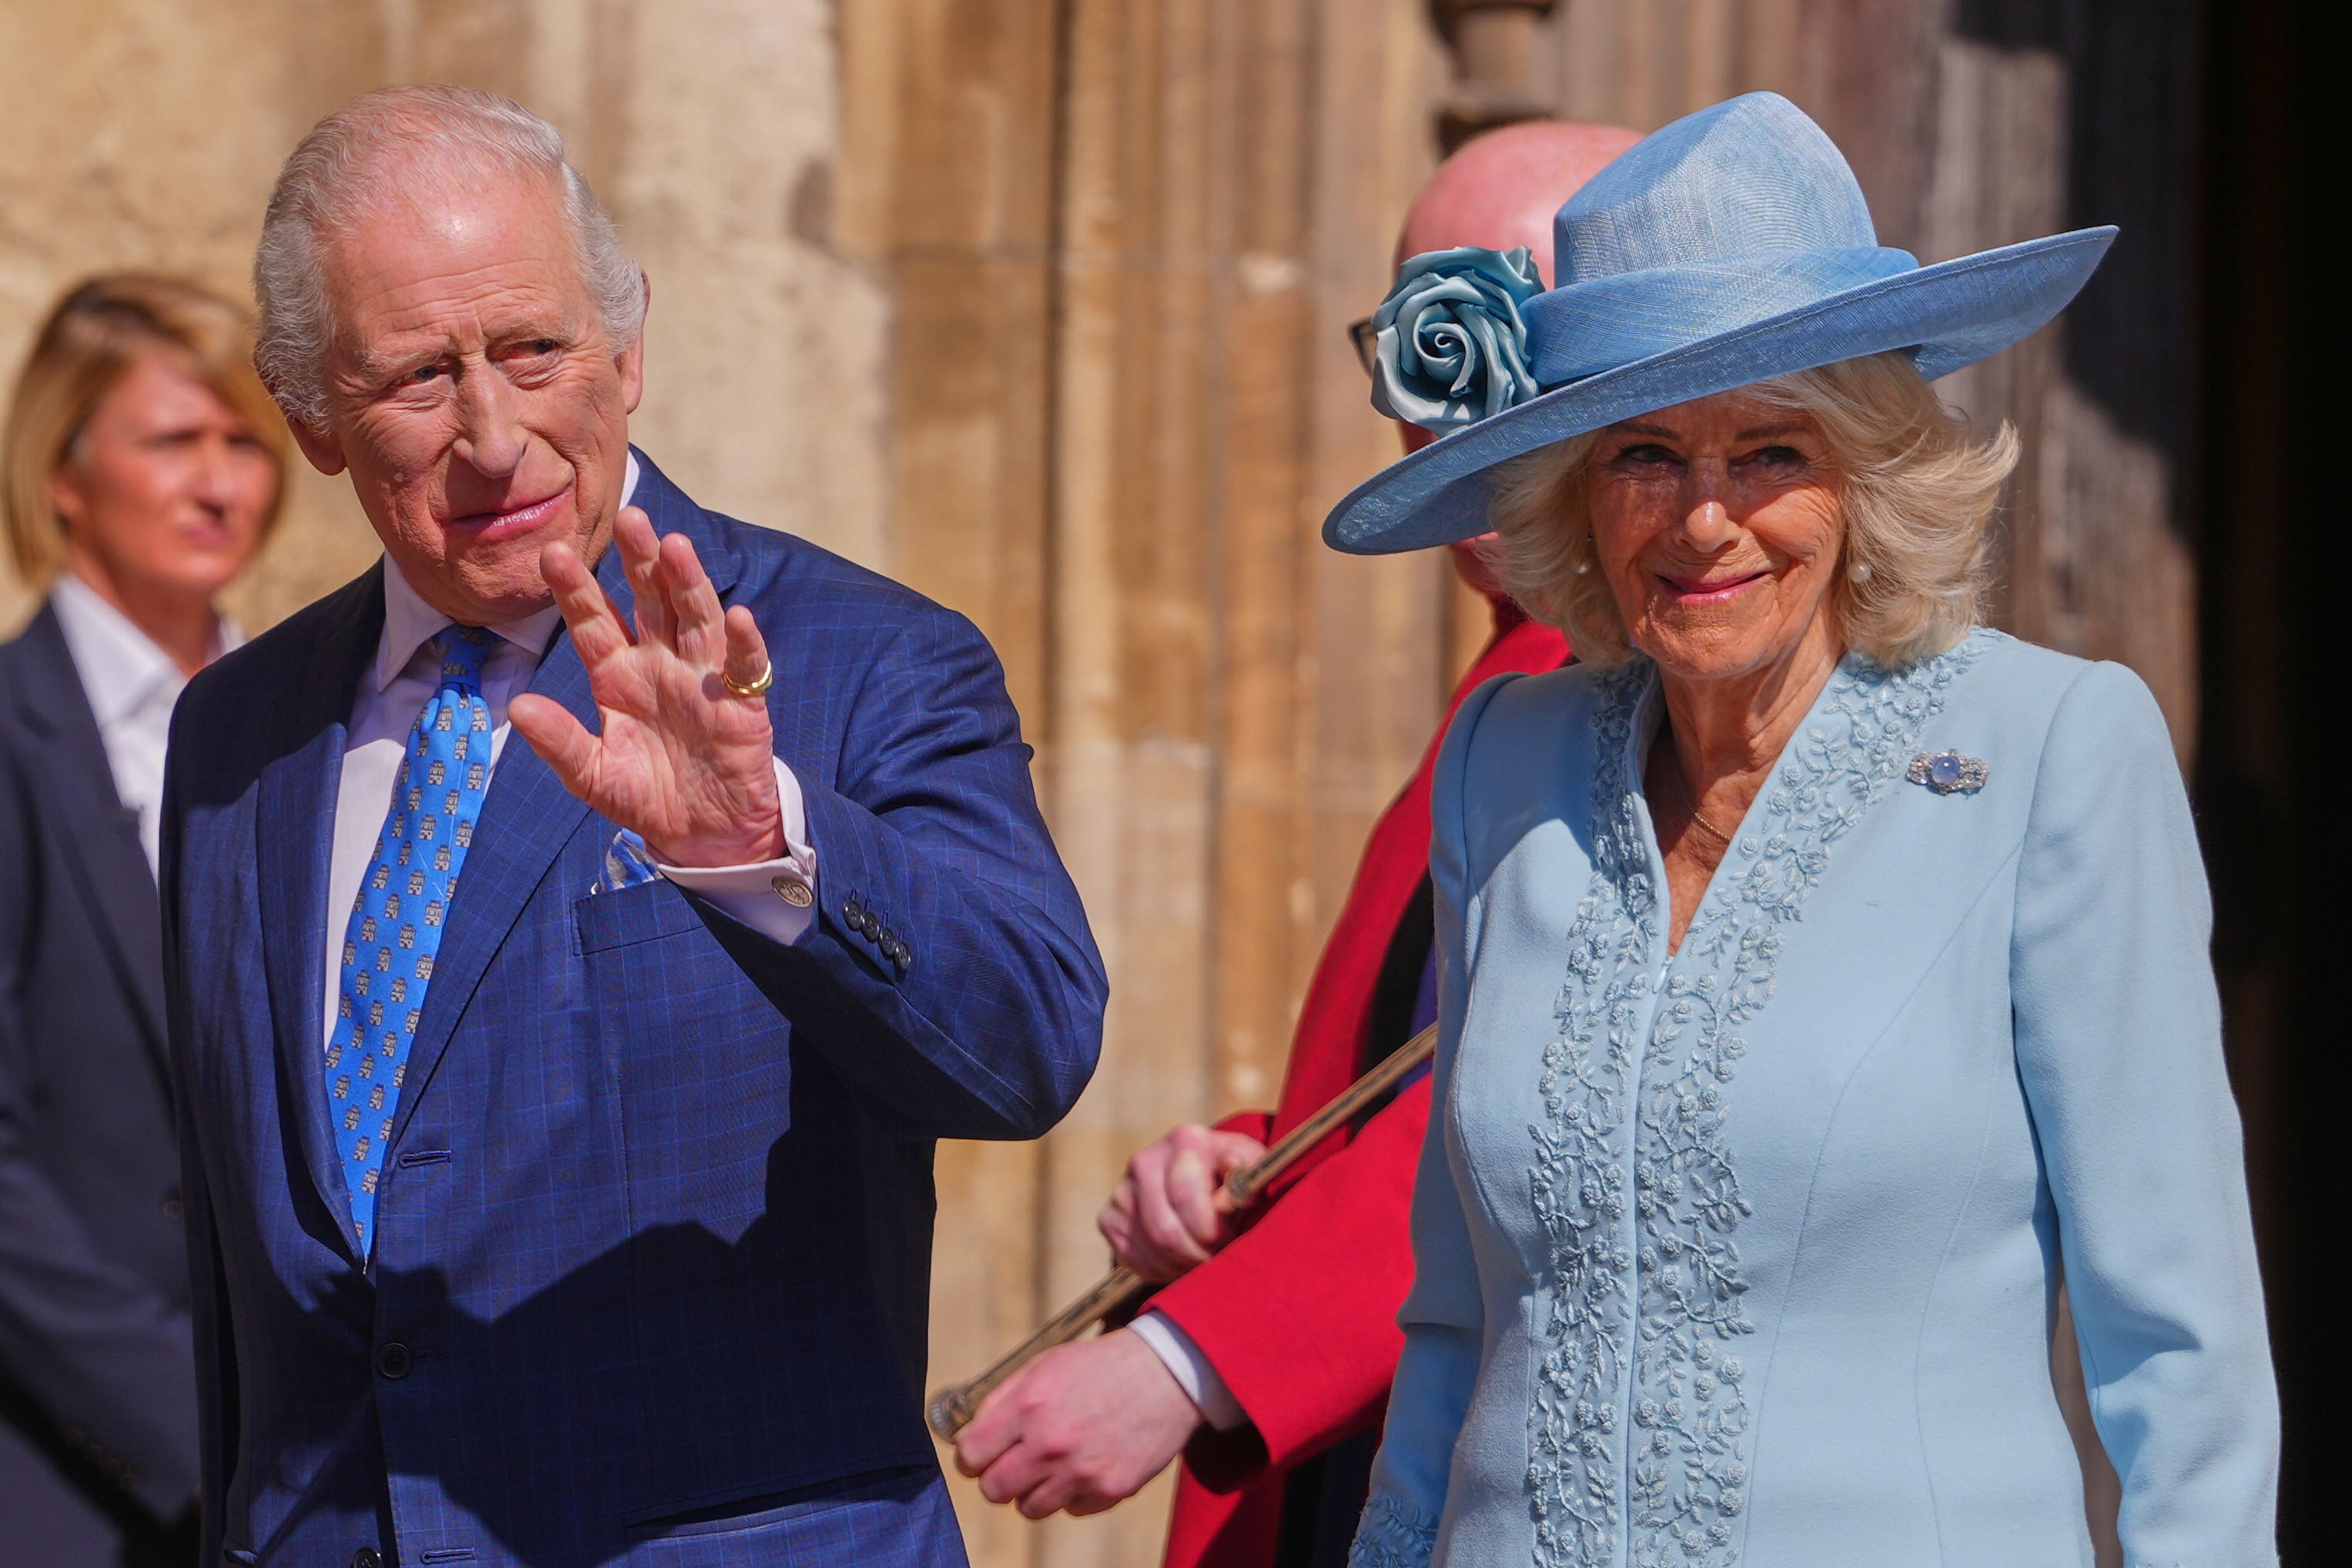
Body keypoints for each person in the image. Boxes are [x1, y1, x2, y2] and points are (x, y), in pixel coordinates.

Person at [1322, 92, 2277, 1567]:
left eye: (1772, 451)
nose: (1705, 520)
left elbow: (2182, 1341)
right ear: (1575, 498)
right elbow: (1457, 1316)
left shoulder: (2050, 751)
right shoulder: (1499, 766)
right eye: (1645, 452)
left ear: (1870, 471)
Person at [160, 85, 1106, 1568]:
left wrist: (761, 844)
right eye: (416, 375)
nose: (492, 432)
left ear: (631, 345)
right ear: (310, 420)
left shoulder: (860, 658)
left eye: (535, 349)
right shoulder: (237, 732)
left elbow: (1030, 1040)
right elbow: (253, 1269)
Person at [952, 122, 1635, 1567]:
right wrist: (1253, 1172)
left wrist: (1191, 1358)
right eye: (1424, 342)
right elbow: (1444, 1063)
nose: (1447, 412)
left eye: (1506, 334)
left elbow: (1559, 1110)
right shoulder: (1516, 684)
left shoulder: (1664, 692)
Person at [0, 275, 286, 1568]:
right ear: (63, 470)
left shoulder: (322, 733)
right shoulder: (9, 740)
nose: (222, 484)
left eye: (247, 445)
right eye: (175, 440)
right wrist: (206, 1433)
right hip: (72, 1483)